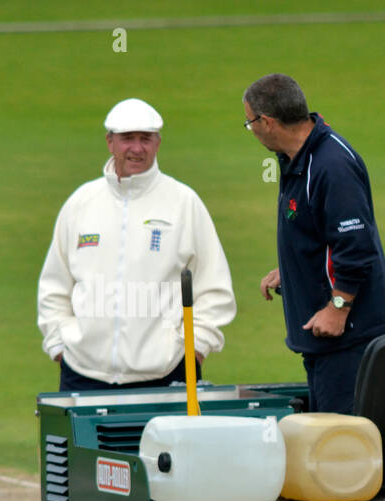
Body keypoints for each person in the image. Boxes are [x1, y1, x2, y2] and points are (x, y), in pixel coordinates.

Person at [37, 98, 236, 390]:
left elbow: (214, 287)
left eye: (146, 139)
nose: (137, 148)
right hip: (82, 372)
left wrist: (196, 347)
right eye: (127, 139)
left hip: (165, 374)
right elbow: (54, 285)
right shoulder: (81, 202)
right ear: (110, 142)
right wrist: (58, 344)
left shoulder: (183, 202)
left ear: (158, 143)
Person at [243, 74, 385, 414]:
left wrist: (338, 307)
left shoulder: (330, 165)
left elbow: (356, 244)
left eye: (250, 121)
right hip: (326, 340)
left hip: (347, 340)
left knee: (344, 446)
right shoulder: (299, 157)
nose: (250, 129)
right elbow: (320, 233)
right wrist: (293, 269)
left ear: (267, 122)